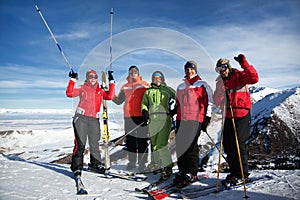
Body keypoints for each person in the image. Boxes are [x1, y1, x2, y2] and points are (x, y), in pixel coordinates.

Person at [213, 54, 259, 186]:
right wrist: (221, 93)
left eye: (223, 68)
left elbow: (254, 78)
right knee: (228, 145)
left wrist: (244, 63)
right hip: (228, 115)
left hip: (241, 114)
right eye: (219, 69)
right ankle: (234, 173)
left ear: (228, 67)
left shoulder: (239, 75)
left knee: (239, 145)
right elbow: (217, 101)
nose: (222, 71)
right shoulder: (220, 82)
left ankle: (243, 175)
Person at [66, 69, 115, 177]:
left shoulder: (100, 90)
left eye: (95, 76)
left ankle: (95, 165)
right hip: (81, 118)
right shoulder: (83, 88)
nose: (93, 78)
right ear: (87, 78)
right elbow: (69, 93)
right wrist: (73, 79)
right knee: (80, 144)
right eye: (90, 76)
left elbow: (110, 96)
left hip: (94, 120)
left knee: (94, 144)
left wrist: (111, 81)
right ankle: (77, 168)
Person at [174, 61, 213, 187]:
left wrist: (207, 118)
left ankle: (191, 172)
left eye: (192, 69)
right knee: (180, 145)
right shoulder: (180, 86)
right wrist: (173, 111)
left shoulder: (202, 85)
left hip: (194, 119)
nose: (189, 71)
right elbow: (178, 103)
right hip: (181, 119)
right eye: (187, 69)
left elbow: (209, 102)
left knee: (190, 146)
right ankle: (182, 170)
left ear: (195, 70)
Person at [113, 66, 150, 172]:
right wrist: (109, 93)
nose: (133, 73)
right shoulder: (125, 87)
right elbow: (118, 100)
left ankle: (142, 163)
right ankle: (132, 162)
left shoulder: (145, 84)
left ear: (138, 73)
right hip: (128, 116)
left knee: (142, 140)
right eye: (131, 71)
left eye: (135, 71)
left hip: (141, 116)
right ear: (128, 73)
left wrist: (149, 112)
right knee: (130, 141)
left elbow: (149, 99)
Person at [141, 71, 176, 179]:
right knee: (153, 143)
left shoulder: (168, 90)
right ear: (152, 79)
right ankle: (155, 164)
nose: (157, 80)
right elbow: (144, 104)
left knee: (161, 144)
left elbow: (179, 99)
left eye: (159, 78)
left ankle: (167, 166)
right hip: (153, 120)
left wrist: (175, 110)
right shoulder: (148, 91)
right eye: (155, 78)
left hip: (165, 119)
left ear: (162, 79)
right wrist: (144, 111)